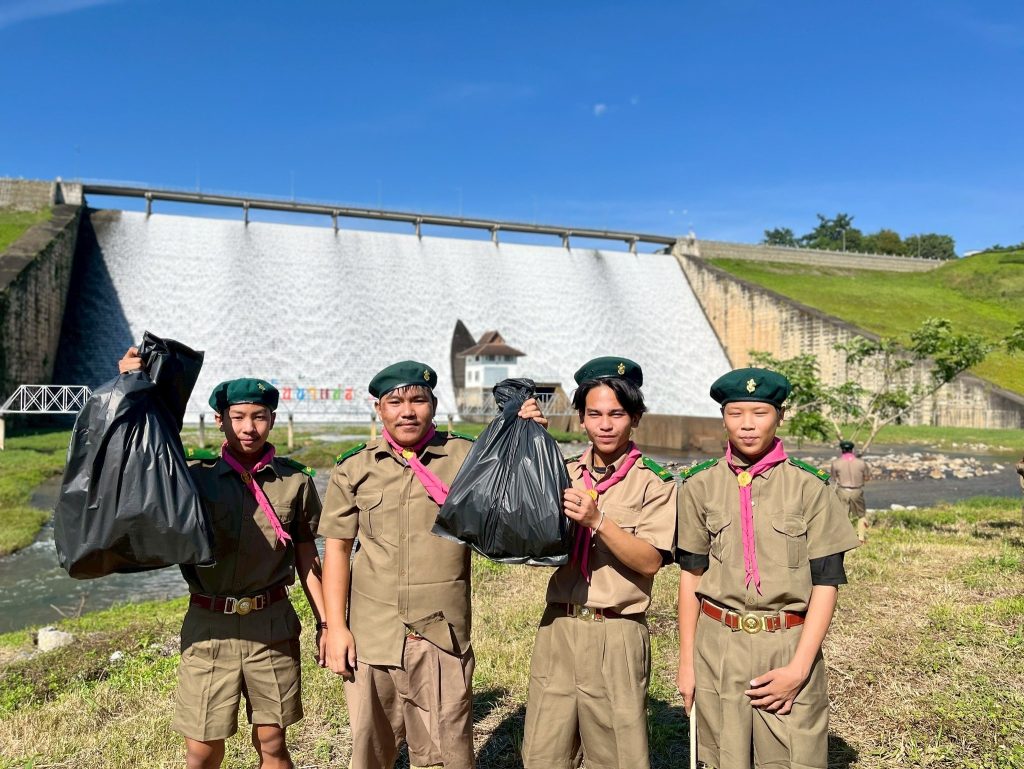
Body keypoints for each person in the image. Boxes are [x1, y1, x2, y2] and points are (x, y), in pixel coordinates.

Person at [318, 360, 545, 769]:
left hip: (441, 636)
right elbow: (336, 549)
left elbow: (519, 502)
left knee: (448, 755)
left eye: (418, 400)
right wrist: (336, 628)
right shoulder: (355, 467)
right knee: (369, 753)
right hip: (373, 636)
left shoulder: (469, 456)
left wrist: (527, 438)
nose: (407, 411)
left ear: (434, 405)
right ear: (379, 409)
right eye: (395, 402)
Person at [117, 349, 327, 769]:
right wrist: (130, 386)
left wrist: (327, 624)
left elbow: (307, 554)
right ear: (220, 420)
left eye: (260, 417)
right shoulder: (192, 477)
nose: (249, 427)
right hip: (209, 625)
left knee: (272, 741)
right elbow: (137, 459)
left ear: (273, 419)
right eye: (238, 417)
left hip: (271, 623)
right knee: (202, 747)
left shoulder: (294, 481)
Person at [675, 367, 860, 769]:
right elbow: (690, 575)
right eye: (735, 413)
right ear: (723, 417)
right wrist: (687, 663)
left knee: (794, 756)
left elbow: (827, 582)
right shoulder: (698, 485)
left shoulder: (810, 486)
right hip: (718, 645)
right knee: (724, 757)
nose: (747, 425)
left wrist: (798, 669)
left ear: (780, 416)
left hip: (787, 642)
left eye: (759, 413)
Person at [520, 357, 676, 769]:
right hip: (559, 627)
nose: (605, 425)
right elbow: (519, 533)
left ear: (635, 418)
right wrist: (528, 444)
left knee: (616, 757)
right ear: (581, 419)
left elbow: (649, 561)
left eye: (616, 414)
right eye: (594, 414)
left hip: (617, 632)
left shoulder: (654, 483)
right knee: (543, 753)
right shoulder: (562, 473)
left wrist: (598, 521)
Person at [830, 439, 871, 542]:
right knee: (861, 515)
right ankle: (861, 538)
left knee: (843, 515)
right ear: (852, 450)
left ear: (842, 450)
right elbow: (867, 477)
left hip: (842, 491)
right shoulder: (861, 463)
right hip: (857, 491)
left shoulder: (836, 463)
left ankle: (844, 539)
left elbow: (834, 478)